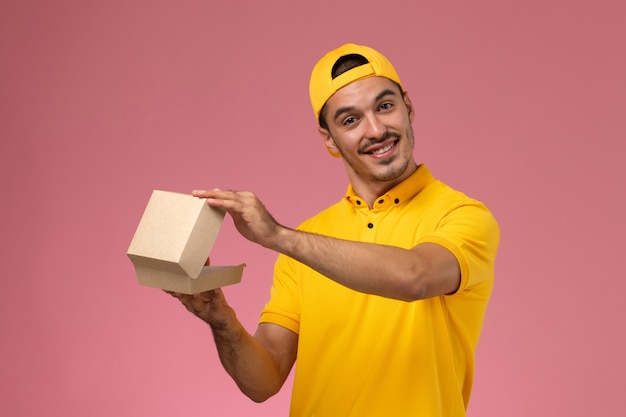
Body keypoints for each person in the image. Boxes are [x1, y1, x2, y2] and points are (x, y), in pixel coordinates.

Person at [168, 43, 500, 416]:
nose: (376, 129)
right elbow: (264, 381)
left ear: (409, 107)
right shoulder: (309, 241)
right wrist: (222, 320)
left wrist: (278, 236)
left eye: (385, 106)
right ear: (329, 139)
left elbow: (416, 277)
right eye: (350, 120)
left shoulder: (462, 215)